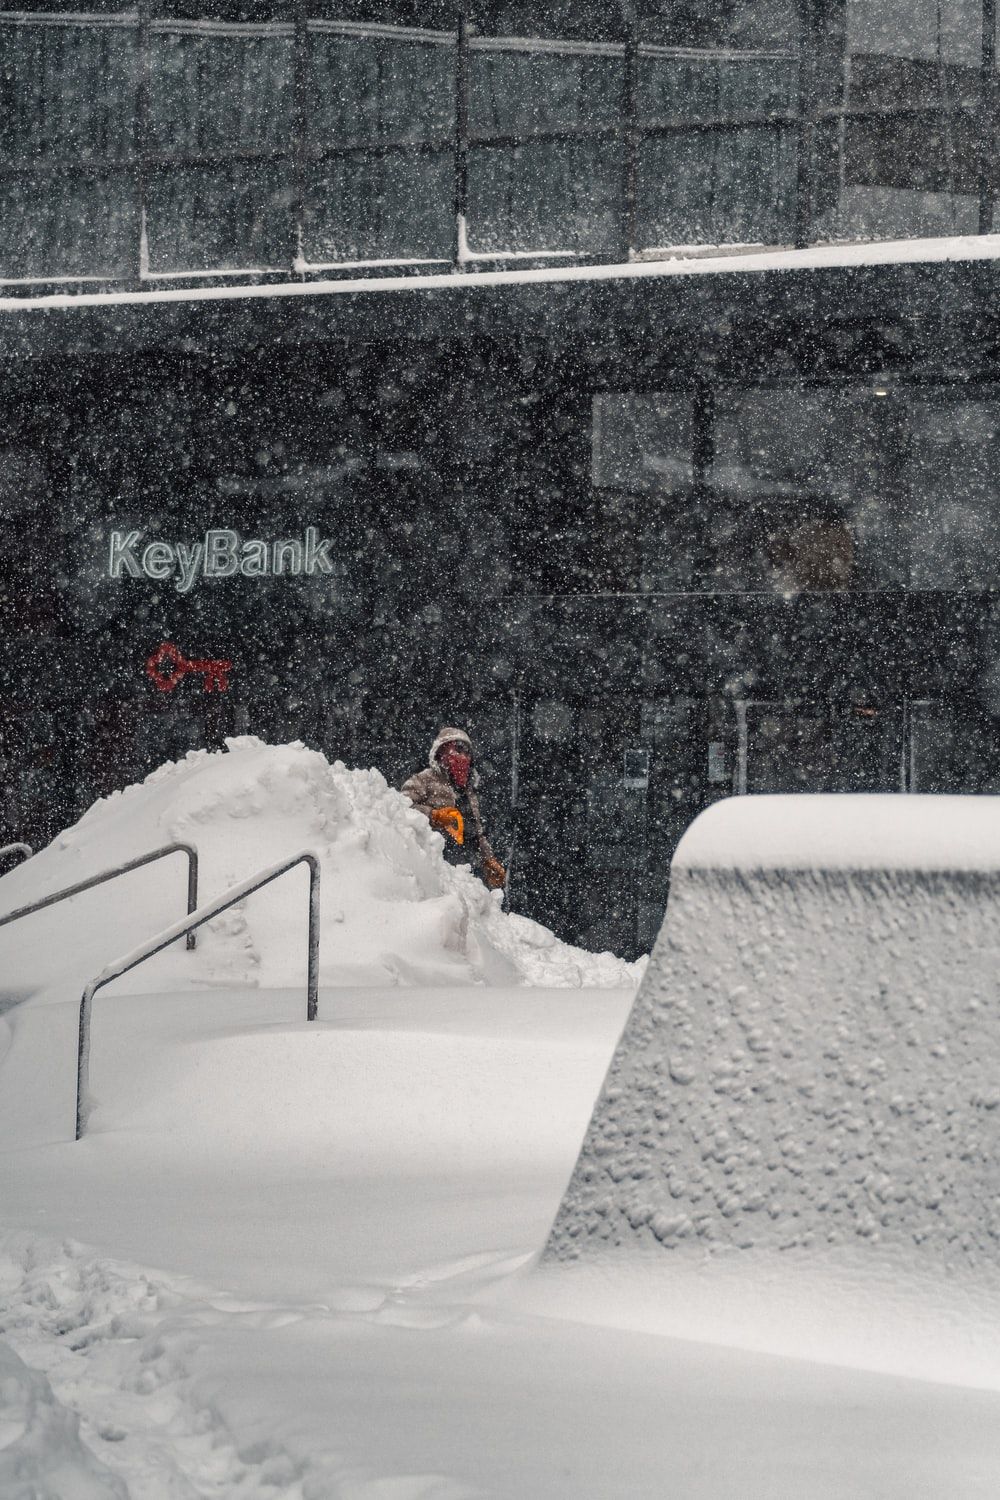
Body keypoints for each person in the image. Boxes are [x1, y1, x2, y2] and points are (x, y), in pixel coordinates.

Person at [402, 726, 506, 890]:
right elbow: (399, 807)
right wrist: (432, 815)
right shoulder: (424, 779)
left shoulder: (469, 794)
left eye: (467, 752)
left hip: (464, 871)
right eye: (458, 748)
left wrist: (489, 861)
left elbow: (477, 835)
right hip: (433, 868)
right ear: (441, 752)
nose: (463, 756)